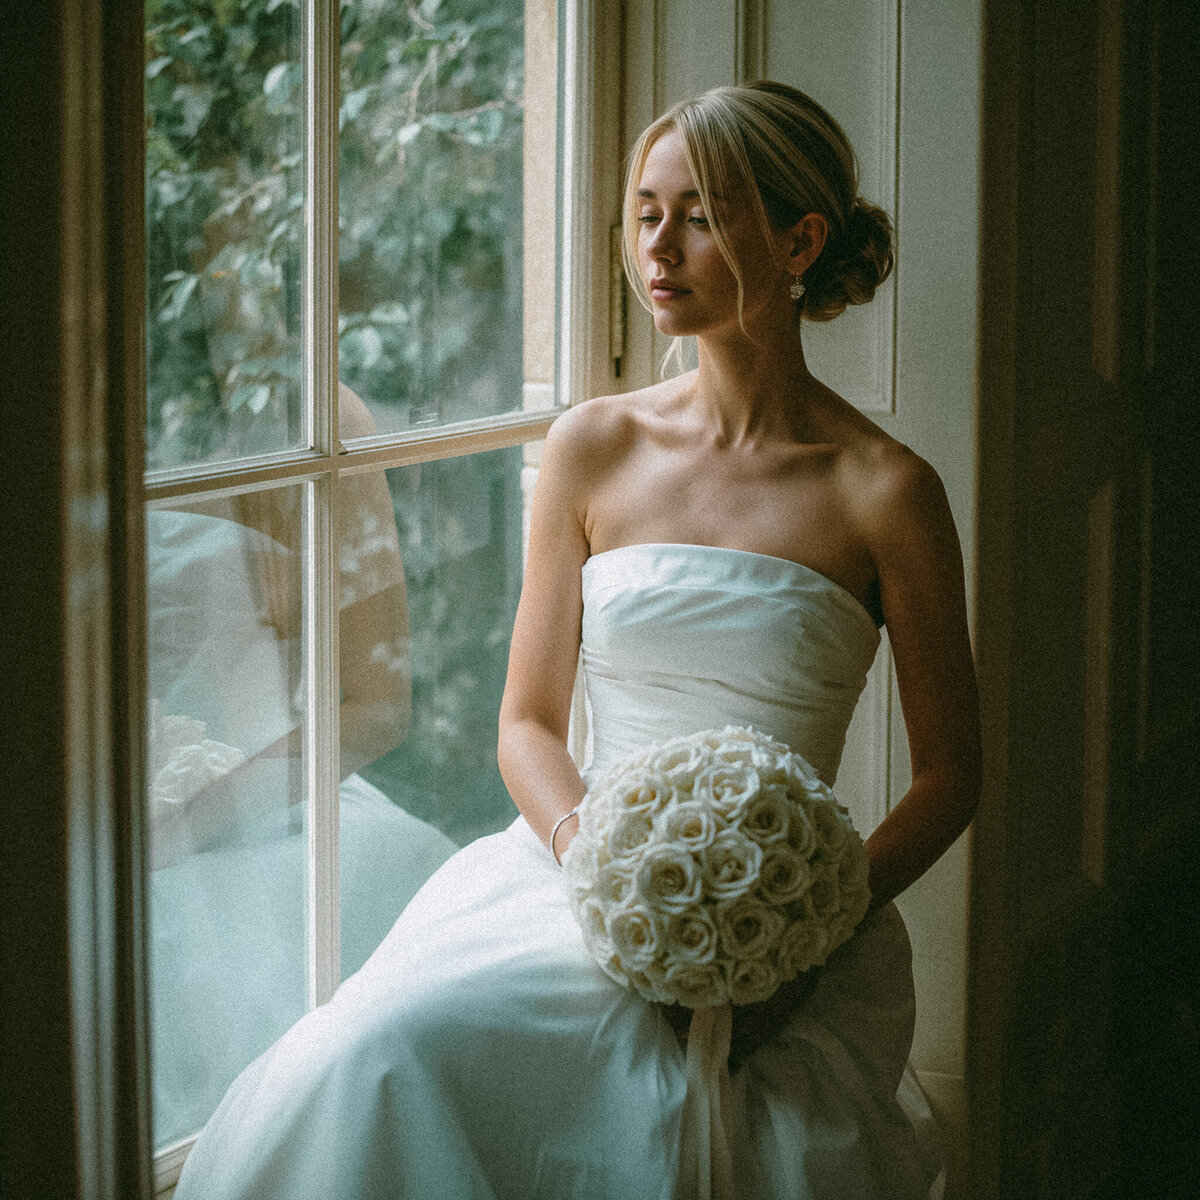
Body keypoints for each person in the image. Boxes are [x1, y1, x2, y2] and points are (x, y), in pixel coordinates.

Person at [174, 81, 980, 1200]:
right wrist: (613, 879)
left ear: (799, 240)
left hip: (785, 907)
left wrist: (802, 927)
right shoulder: (592, 447)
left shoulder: (886, 491)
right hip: (573, 868)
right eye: (644, 211)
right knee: (374, 1054)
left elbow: (950, 774)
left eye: (699, 213)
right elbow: (525, 723)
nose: (658, 244)